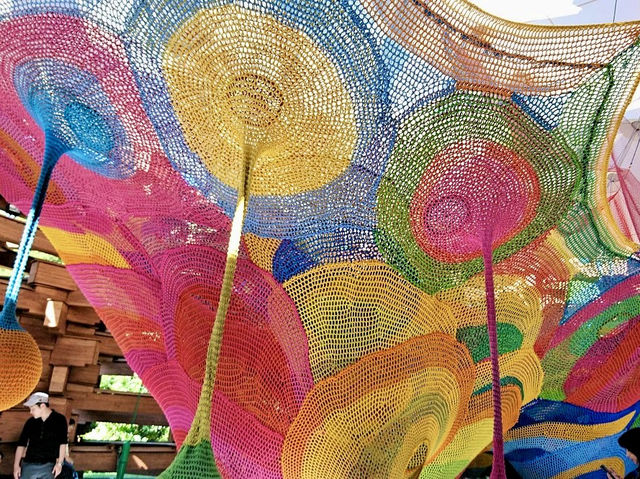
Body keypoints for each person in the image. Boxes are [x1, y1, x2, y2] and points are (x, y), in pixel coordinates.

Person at [13, 392, 68, 479]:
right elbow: (21, 444)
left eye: (32, 409)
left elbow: (63, 443)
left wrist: (59, 464)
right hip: (28, 465)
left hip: (49, 466)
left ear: (42, 406)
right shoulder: (30, 422)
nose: (30, 412)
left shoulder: (60, 420)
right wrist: (16, 466)